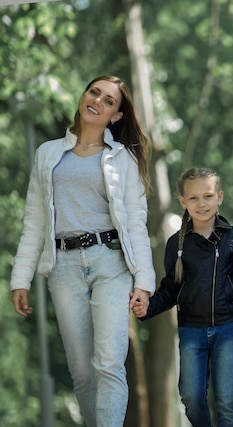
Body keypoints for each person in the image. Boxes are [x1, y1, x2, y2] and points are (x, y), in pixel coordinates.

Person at [10, 75, 155, 427]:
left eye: (109, 101)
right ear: (83, 95)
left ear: (116, 116)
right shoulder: (48, 153)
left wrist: (144, 282)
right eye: (94, 93)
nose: (98, 102)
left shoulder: (123, 159)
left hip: (111, 263)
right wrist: (20, 278)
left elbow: (136, 223)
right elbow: (34, 221)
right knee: (82, 372)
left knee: (108, 363)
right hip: (64, 267)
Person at [132, 167, 233, 427]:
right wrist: (148, 307)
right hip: (191, 330)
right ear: (183, 202)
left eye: (208, 196)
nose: (201, 203)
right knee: (191, 398)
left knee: (227, 402)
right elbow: (171, 288)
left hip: (229, 328)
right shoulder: (176, 244)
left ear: (220, 197)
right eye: (193, 198)